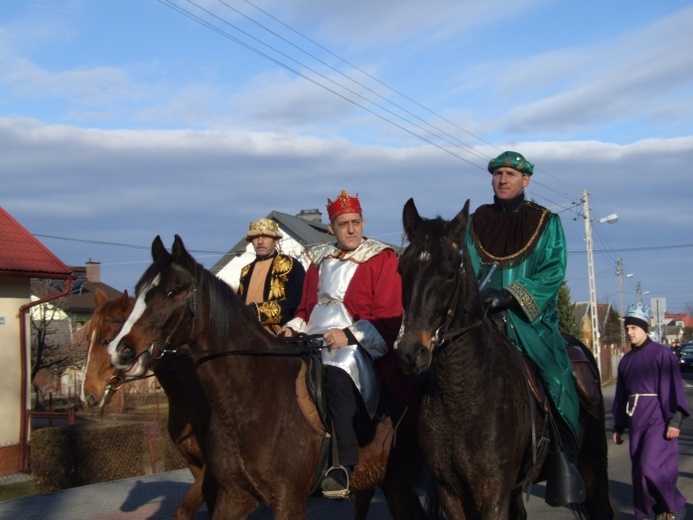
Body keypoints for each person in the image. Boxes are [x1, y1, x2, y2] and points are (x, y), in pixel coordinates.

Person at [466, 150, 584, 505]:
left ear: (526, 181)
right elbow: (463, 268)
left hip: (527, 320)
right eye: (498, 173)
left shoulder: (546, 222)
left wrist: (511, 295)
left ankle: (563, 454)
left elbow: (552, 270)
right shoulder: (475, 222)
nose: (503, 180)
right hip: (479, 318)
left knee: (558, 376)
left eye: (511, 175)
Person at [280, 190, 403, 498]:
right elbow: (305, 310)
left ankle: (342, 466)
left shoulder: (381, 258)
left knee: (335, 373)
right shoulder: (318, 259)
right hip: (312, 340)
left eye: (356, 222)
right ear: (331, 228)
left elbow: (389, 316)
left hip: (356, 345)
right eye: (344, 223)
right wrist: (291, 328)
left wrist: (346, 335)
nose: (351, 229)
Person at [612, 302, 689, 520]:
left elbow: (673, 387)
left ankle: (676, 504)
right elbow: (621, 395)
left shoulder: (661, 355)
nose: (629, 332)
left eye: (633, 328)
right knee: (639, 474)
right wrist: (619, 425)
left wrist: (674, 421)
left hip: (658, 419)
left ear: (645, 328)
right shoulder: (626, 361)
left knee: (650, 467)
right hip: (636, 420)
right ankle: (651, 512)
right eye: (627, 328)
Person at [237, 218, 305, 335]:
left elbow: (298, 302)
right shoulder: (245, 271)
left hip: (279, 337)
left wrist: (258, 312)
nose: (260, 242)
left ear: (276, 240)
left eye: (266, 237)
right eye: (256, 237)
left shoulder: (290, 265)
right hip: (245, 334)